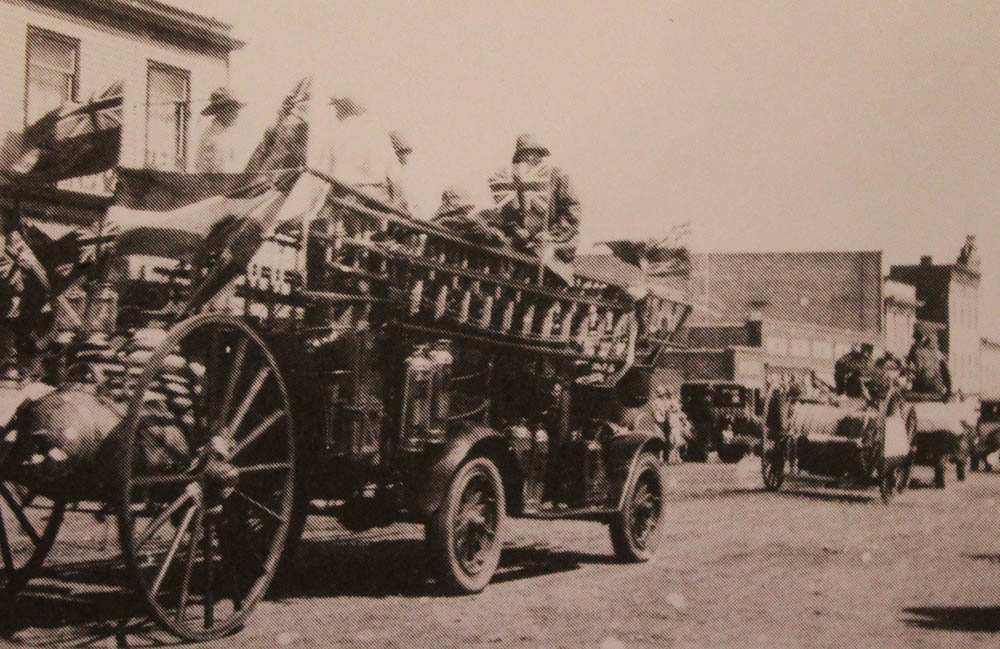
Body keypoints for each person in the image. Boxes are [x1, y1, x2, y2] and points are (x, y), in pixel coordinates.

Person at [487, 133, 581, 264]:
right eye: (522, 154)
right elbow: (508, 212)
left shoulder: (558, 176)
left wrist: (552, 235)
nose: (528, 158)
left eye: (532, 153)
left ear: (539, 154)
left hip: (556, 242)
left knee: (548, 264)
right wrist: (516, 229)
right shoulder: (515, 179)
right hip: (522, 243)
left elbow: (573, 212)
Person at [193, 87, 246, 173]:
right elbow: (207, 172)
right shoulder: (212, 137)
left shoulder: (227, 135)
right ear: (219, 112)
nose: (236, 115)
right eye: (231, 110)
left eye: (237, 110)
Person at [906, 331, 951, 398]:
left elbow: (945, 371)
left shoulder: (917, 351)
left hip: (925, 387)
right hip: (929, 388)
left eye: (918, 339)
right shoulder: (936, 353)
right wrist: (948, 389)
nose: (916, 342)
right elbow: (945, 372)